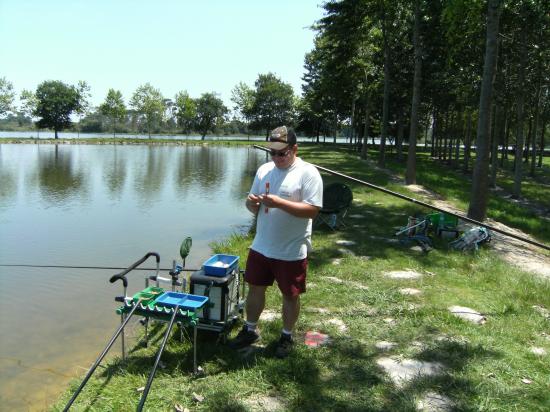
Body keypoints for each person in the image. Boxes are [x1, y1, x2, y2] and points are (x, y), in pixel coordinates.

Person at [228, 125, 323, 358]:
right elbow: (252, 208)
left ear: (295, 149)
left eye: (283, 153)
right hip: (261, 245)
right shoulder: (264, 171)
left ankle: (286, 335)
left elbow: (312, 210)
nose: (277, 157)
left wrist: (279, 203)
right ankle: (250, 329)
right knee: (255, 288)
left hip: (291, 248)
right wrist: (252, 204)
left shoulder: (308, 173)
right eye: (273, 152)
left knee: (290, 294)